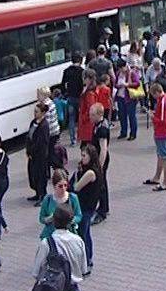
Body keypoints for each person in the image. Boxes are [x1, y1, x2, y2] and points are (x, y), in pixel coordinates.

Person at [70, 145, 101, 273]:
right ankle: (86, 259)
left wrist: (77, 175)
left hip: (86, 207)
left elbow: (76, 187)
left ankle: (87, 261)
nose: (82, 158)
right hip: (83, 206)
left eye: (84, 156)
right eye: (81, 155)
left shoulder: (90, 172)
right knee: (84, 233)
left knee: (83, 234)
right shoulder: (86, 169)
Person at [145, 83, 166, 191]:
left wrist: (152, 116)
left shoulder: (164, 102)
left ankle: (165, 183)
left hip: (163, 132)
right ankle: (157, 177)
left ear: (157, 92)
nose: (154, 98)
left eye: (154, 95)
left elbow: (162, 120)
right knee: (160, 154)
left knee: (164, 157)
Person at [38, 169, 82, 240]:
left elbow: (79, 215)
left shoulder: (73, 198)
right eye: (60, 186)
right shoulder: (48, 199)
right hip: (51, 234)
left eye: (65, 185)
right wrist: (49, 218)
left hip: (69, 234)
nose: (64, 188)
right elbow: (41, 218)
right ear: (54, 185)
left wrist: (72, 220)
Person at [89, 103, 111, 225]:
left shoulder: (102, 128)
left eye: (92, 114)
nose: (90, 117)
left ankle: (102, 212)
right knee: (102, 184)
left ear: (99, 114)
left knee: (100, 186)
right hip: (96, 159)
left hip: (100, 160)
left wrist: (100, 166)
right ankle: (104, 207)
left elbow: (103, 149)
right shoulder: (98, 124)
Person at [27, 102, 52, 206]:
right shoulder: (34, 122)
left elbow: (41, 142)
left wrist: (33, 151)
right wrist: (28, 150)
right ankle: (37, 193)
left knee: (40, 175)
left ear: (43, 113)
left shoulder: (44, 125)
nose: (35, 113)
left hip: (40, 156)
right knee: (33, 174)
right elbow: (29, 136)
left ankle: (43, 196)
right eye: (34, 111)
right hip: (32, 154)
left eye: (37, 112)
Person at [114, 59, 141, 141]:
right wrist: (118, 85)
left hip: (129, 98)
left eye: (122, 67)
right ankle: (123, 132)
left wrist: (127, 84)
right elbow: (115, 84)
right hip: (120, 97)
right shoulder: (118, 73)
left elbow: (137, 83)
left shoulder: (131, 73)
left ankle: (133, 133)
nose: (121, 70)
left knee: (131, 116)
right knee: (122, 116)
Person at [62, 53, 85, 146]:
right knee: (81, 118)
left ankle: (73, 140)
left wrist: (65, 94)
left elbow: (63, 84)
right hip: (80, 97)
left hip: (70, 97)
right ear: (80, 60)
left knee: (71, 119)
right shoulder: (82, 71)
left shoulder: (66, 71)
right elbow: (83, 84)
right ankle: (81, 136)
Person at [77, 69, 100, 145]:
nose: (83, 79)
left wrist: (83, 117)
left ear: (89, 79)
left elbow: (91, 108)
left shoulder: (90, 93)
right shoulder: (89, 89)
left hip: (87, 124)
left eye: (84, 78)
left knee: (86, 147)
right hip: (87, 122)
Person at [38, 86, 61, 158]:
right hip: (55, 130)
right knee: (52, 151)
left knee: (49, 154)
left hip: (50, 132)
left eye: (39, 95)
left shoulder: (45, 105)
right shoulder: (51, 102)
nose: (37, 97)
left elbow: (46, 121)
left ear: (44, 95)